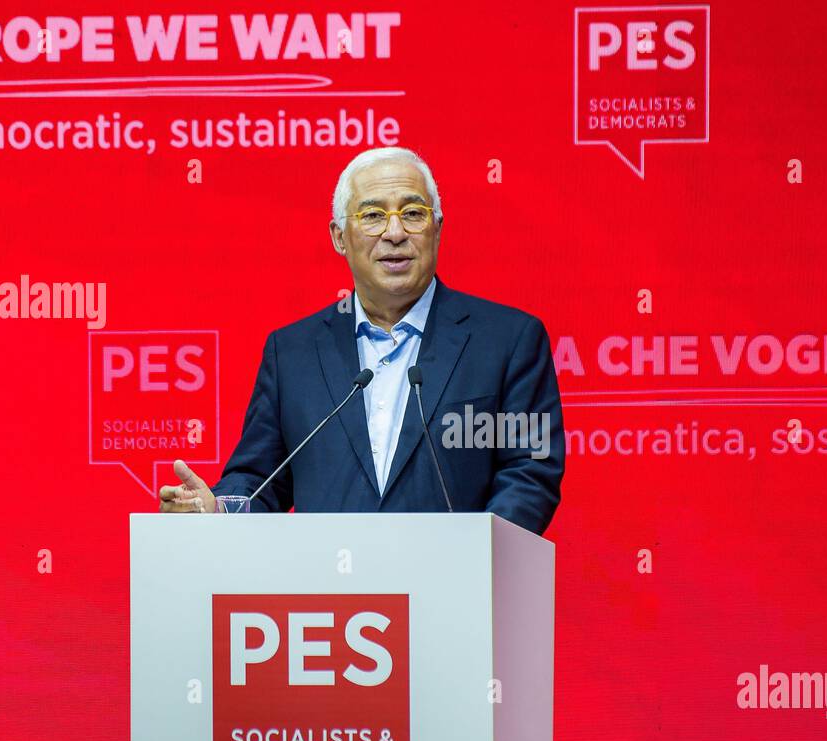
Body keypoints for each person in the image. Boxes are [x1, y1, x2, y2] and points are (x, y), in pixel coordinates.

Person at [158, 146, 564, 535]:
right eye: (372, 215)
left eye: (413, 213)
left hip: (458, 590)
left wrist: (477, 556)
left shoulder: (508, 341)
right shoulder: (293, 353)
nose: (394, 232)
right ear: (339, 237)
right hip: (332, 594)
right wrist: (218, 510)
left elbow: (529, 473)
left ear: (437, 230)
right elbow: (261, 482)